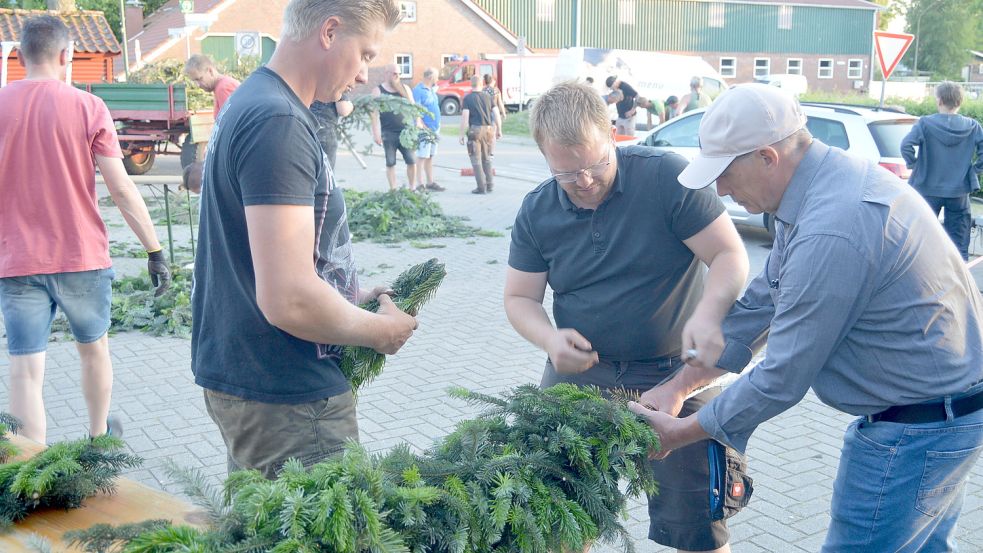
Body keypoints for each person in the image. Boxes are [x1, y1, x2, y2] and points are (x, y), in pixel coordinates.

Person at [629, 83, 983, 552]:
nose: (720, 190)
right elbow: (761, 306)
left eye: (726, 173)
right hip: (933, 417)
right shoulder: (818, 190)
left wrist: (683, 432)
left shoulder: (834, 225)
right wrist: (676, 388)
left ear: (766, 157)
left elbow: (781, 377)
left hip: (916, 432)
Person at [504, 81, 751, 553]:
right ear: (544, 156)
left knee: (698, 522)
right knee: (560, 515)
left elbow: (729, 256)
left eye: (596, 163)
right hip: (581, 378)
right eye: (566, 172)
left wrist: (710, 312)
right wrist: (550, 342)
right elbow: (519, 298)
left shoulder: (666, 179)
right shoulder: (537, 210)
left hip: (679, 375)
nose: (585, 180)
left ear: (613, 133)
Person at [192, 0, 417, 479]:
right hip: (287, 396)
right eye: (365, 54)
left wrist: (347, 298)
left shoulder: (254, 99)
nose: (362, 75)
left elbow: (264, 259)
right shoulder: (279, 122)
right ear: (330, 32)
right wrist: (380, 332)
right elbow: (288, 299)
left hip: (256, 379)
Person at [0, 15, 170, 443]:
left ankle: (31, 472)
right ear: (66, 56)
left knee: (24, 368)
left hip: (16, 260)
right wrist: (154, 251)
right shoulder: (88, 107)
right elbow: (122, 189)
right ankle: (97, 439)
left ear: (19, 57)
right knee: (93, 351)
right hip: (81, 257)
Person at [901, 81, 983, 260]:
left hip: (927, 189)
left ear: (939, 101)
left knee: (922, 240)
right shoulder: (972, 126)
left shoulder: (925, 123)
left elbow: (906, 145)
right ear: (959, 102)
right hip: (959, 193)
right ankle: (960, 285)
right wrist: (973, 170)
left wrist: (914, 164)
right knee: (959, 245)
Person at [372, 63, 418, 191]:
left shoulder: (405, 89)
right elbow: (374, 114)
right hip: (388, 132)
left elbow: (414, 108)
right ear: (386, 73)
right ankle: (393, 189)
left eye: (399, 74)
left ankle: (412, 188)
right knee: (390, 162)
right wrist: (376, 133)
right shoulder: (378, 91)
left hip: (406, 133)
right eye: (394, 74)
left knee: (411, 160)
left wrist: (418, 123)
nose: (397, 76)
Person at [459, 75, 501, 194]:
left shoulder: (468, 99)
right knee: (487, 159)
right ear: (481, 84)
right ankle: (490, 185)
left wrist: (461, 134)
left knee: (476, 160)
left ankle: (481, 187)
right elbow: (496, 114)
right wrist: (499, 130)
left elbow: (465, 117)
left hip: (475, 131)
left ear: (470, 84)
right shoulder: (488, 97)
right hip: (488, 130)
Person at [412, 67, 445, 192]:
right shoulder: (418, 90)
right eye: (436, 76)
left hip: (435, 128)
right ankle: (420, 184)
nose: (437, 79)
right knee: (422, 156)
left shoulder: (431, 90)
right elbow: (416, 108)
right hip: (425, 129)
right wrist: (420, 123)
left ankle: (430, 182)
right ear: (430, 77)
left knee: (430, 156)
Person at [184, 54, 240, 119]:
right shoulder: (221, 86)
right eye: (195, 81)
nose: (198, 85)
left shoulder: (223, 88)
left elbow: (232, 121)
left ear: (210, 71)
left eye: (199, 79)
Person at [311, 93, 354, 169]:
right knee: (325, 172)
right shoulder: (334, 83)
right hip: (324, 132)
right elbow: (343, 110)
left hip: (303, 128)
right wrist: (350, 106)